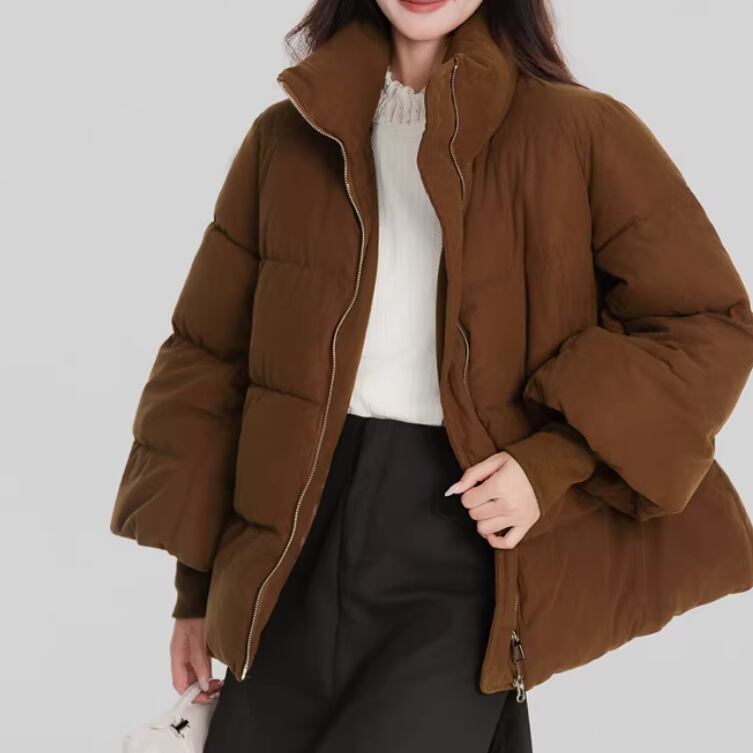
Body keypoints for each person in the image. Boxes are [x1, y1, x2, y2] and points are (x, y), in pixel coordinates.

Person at [110, 1, 753, 751]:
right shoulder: (286, 138)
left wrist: (549, 463)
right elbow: (210, 359)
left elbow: (705, 324)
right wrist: (194, 589)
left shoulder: (579, 132)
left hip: (461, 544)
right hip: (290, 542)